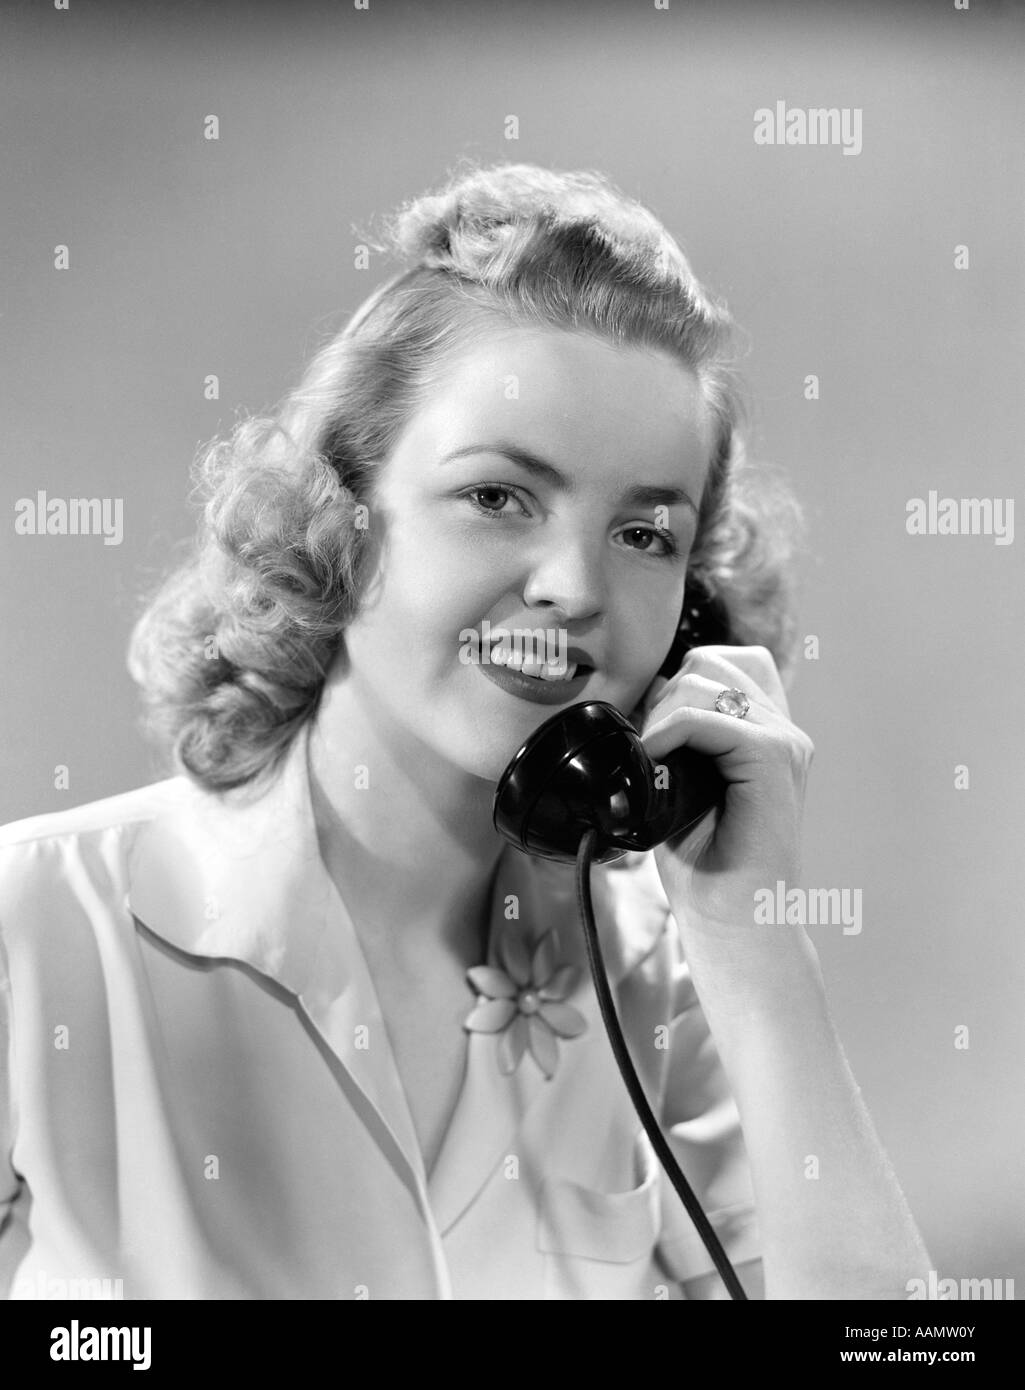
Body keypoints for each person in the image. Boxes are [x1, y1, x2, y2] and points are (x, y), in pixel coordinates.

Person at [0, 162, 930, 1301]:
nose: (572, 586)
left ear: (693, 609)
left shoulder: (665, 977)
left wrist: (751, 939)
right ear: (336, 517)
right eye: (498, 497)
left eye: (644, 533)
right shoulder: (35, 926)